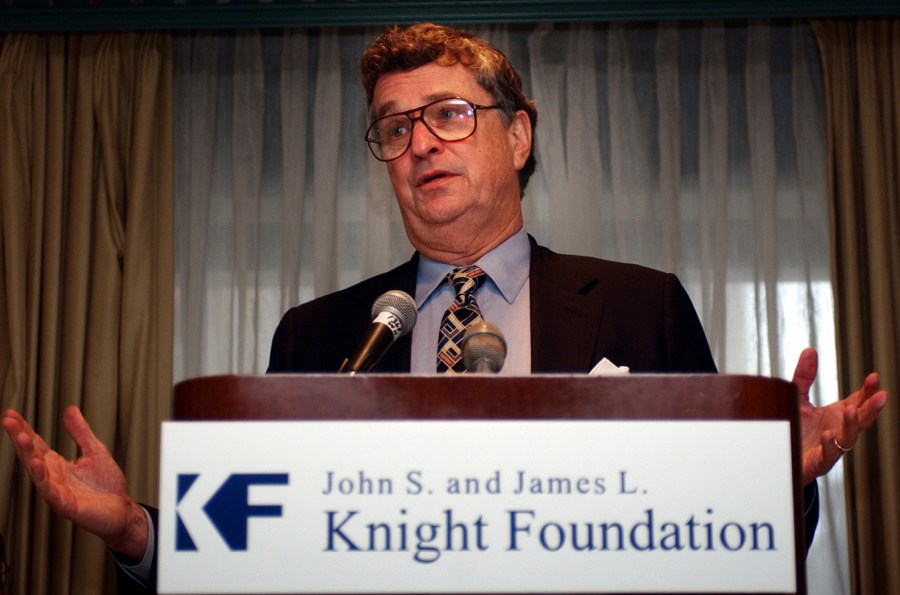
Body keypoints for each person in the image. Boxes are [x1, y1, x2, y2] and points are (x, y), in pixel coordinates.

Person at [2, 23, 890, 595]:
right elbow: (256, 553)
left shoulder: (640, 303)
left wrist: (781, 483)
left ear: (518, 134)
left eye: (451, 114)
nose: (420, 140)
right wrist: (140, 532)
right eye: (395, 126)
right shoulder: (316, 336)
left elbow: (714, 537)